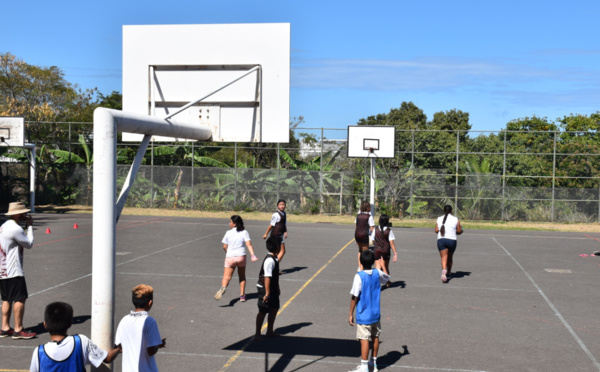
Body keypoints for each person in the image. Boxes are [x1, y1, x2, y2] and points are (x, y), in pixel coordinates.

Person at [29, 302, 121, 371]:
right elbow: (107, 358)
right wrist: (118, 350)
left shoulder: (38, 353)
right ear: (70, 324)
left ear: (45, 325)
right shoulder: (80, 341)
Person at [348, 250, 390, 372]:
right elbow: (387, 280)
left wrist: (350, 313)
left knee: (364, 339)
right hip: (375, 313)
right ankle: (374, 364)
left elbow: (354, 296)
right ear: (373, 262)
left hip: (364, 314)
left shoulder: (359, 276)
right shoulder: (377, 273)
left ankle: (364, 367)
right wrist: (382, 266)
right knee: (375, 336)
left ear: (360, 262)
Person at [0, 202, 36, 340]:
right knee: (20, 298)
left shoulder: (3, 226)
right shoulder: (15, 229)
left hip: (3, 269)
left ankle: (4, 327)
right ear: (16, 214)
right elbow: (29, 244)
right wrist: (30, 227)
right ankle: (18, 329)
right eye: (22, 213)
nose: (25, 215)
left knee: (6, 299)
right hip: (13, 269)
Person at [115, 284, 166, 372]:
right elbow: (151, 350)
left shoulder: (124, 320)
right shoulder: (150, 321)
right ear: (150, 302)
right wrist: (157, 344)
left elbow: (120, 347)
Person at [215, 215, 258, 302]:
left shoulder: (228, 233)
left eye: (230, 222)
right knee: (242, 276)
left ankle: (223, 288)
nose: (229, 223)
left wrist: (229, 253)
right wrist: (253, 255)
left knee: (226, 277)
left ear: (234, 224)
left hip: (230, 257)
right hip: (241, 256)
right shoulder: (244, 232)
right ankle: (242, 295)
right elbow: (248, 244)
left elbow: (224, 246)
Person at [254, 237, 284, 340]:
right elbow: (267, 278)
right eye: (279, 246)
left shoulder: (275, 258)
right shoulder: (269, 261)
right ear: (276, 247)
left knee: (274, 308)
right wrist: (267, 294)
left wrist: (277, 288)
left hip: (273, 288)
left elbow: (275, 277)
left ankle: (269, 331)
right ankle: (257, 333)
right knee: (263, 310)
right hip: (264, 288)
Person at [434, 205, 463, 283]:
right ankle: (449, 272)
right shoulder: (455, 219)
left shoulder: (439, 218)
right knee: (450, 257)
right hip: (452, 240)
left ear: (444, 211)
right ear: (451, 211)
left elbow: (436, 230)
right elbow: (459, 230)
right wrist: (461, 230)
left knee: (443, 257)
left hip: (441, 240)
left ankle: (444, 270)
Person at [371, 214, 397, 287]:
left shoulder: (375, 230)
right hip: (386, 250)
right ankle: (387, 282)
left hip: (377, 250)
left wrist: (377, 243)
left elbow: (373, 240)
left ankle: (375, 283)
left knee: (377, 267)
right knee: (385, 266)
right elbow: (391, 242)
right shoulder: (389, 231)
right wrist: (395, 253)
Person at [354, 201, 374, 268]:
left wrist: (355, 236)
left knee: (360, 250)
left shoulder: (358, 216)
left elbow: (356, 226)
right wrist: (375, 237)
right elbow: (372, 229)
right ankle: (364, 266)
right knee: (365, 251)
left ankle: (360, 266)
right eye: (369, 207)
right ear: (367, 208)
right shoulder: (369, 217)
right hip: (364, 235)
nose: (370, 208)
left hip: (357, 234)